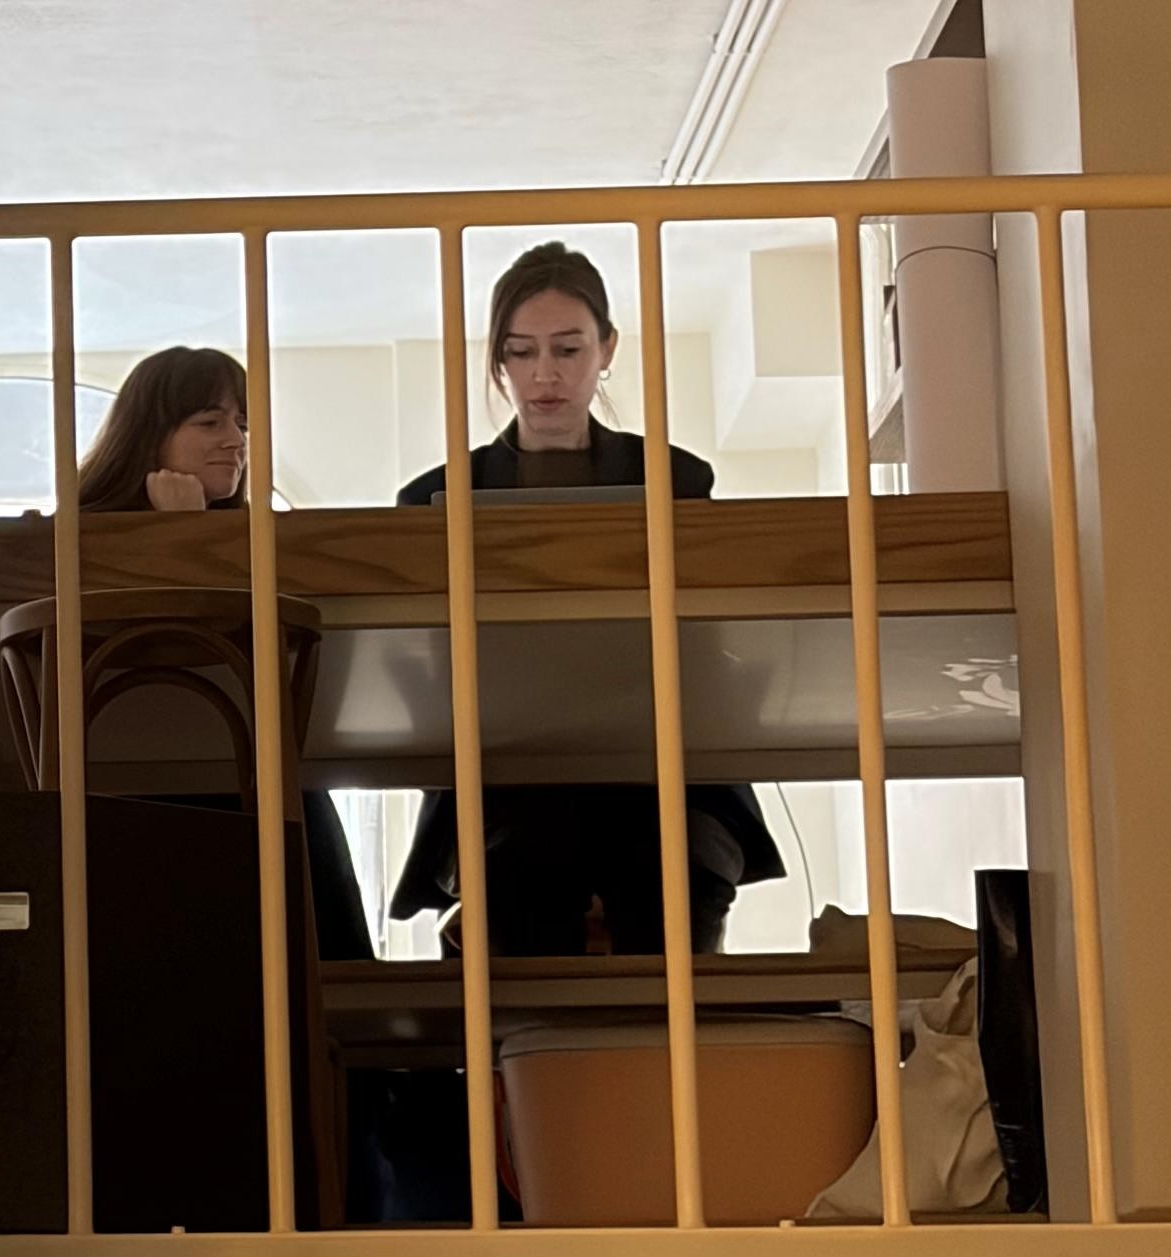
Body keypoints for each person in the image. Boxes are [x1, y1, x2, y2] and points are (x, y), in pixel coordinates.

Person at [391, 242, 784, 955]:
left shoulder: (676, 480)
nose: (545, 374)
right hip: (503, 786)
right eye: (521, 352)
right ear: (499, 361)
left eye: (568, 349)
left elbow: (707, 647)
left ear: (607, 349)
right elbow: (427, 676)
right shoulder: (433, 499)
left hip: (666, 777)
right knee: (525, 864)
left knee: (664, 868)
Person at [77, 345, 374, 961]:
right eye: (209, 421)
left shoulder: (264, 540)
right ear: (150, 435)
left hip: (243, 774)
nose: (235, 440)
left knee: (294, 794)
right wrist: (182, 535)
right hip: (129, 792)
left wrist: (195, 529)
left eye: (242, 423)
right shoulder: (78, 537)